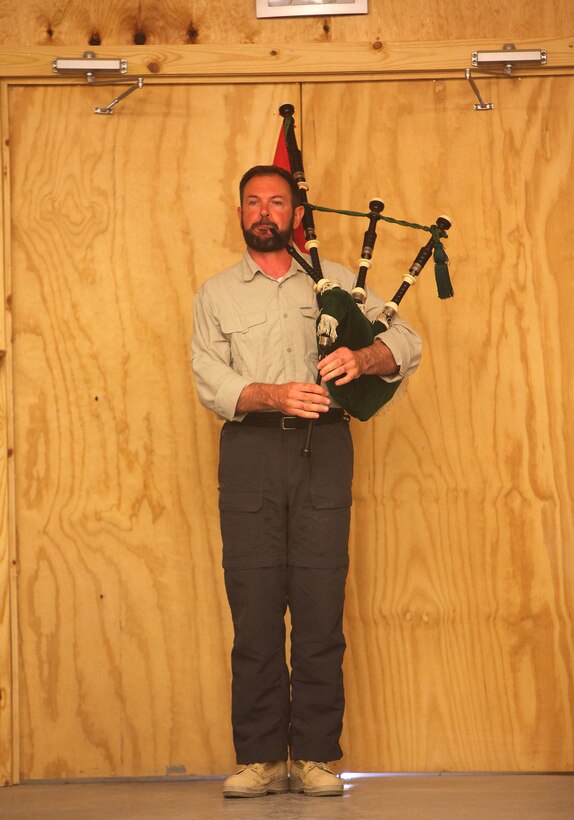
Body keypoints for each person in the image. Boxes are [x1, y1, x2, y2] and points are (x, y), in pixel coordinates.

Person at [191, 165, 421, 798]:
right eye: (253, 202)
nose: (264, 211)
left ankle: (317, 757)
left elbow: (405, 340)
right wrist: (272, 394)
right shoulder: (215, 294)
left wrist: (363, 355)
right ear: (240, 213)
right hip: (249, 455)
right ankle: (261, 757)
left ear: (296, 214)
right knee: (255, 607)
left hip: (325, 452)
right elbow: (210, 378)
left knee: (320, 608)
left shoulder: (336, 282)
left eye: (277, 202)